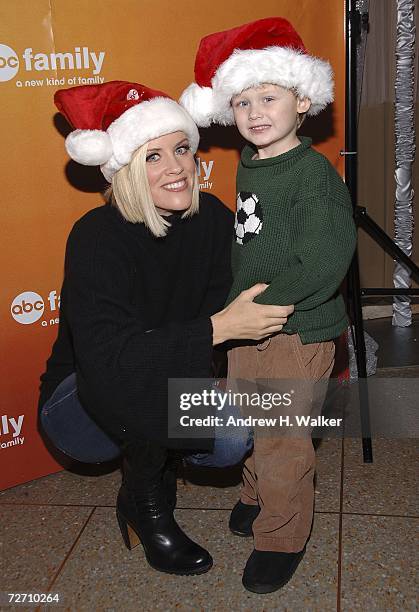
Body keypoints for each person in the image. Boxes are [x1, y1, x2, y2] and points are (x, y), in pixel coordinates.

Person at [39, 80, 294, 577]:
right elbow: (112, 362)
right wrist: (216, 330)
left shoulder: (211, 219)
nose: (177, 166)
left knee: (230, 431)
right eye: (153, 156)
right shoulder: (97, 237)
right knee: (147, 378)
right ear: (126, 169)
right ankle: (148, 503)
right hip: (80, 402)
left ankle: (151, 462)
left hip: (164, 384)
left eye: (181, 149)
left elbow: (264, 274)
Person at [181, 17, 357, 592]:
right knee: (255, 425)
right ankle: (258, 497)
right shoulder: (251, 163)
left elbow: (326, 261)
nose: (255, 112)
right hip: (249, 326)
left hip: (295, 329)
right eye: (241, 102)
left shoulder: (313, 177)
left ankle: (284, 535)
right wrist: (237, 316)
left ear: (302, 99)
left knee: (283, 440)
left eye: (269, 97)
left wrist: (266, 306)